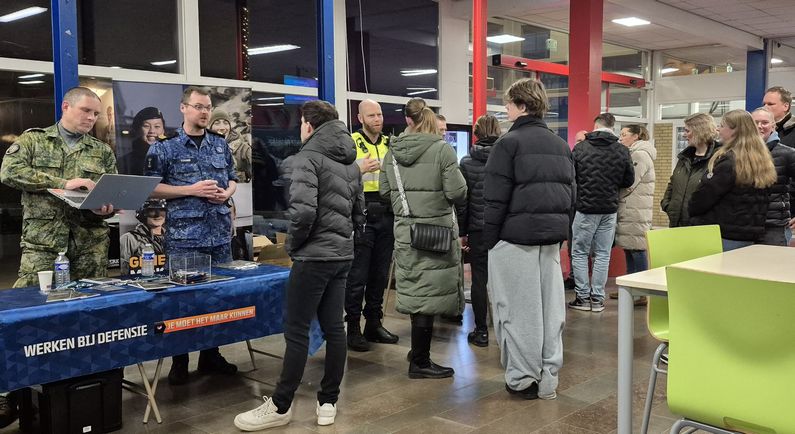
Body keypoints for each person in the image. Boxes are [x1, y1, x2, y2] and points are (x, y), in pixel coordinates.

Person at [233, 100, 364, 431]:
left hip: (314, 257)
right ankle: (328, 403)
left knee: (296, 330)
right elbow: (359, 212)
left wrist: (294, 245)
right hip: (342, 255)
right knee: (335, 329)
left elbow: (303, 213)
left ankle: (280, 405)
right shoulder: (350, 160)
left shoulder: (308, 158)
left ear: (308, 124)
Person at [0, 86, 117, 427]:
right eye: (86, 111)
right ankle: (8, 395)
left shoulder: (101, 150)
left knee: (89, 316)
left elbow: (107, 195)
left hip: (88, 243)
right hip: (43, 243)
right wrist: (65, 182)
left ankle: (81, 386)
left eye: (96, 114)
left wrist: (106, 206)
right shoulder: (35, 140)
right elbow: (9, 173)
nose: (91, 119)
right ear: (66, 106)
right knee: (23, 315)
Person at [484, 78, 574, 400]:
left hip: (514, 240)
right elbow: (570, 197)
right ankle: (548, 376)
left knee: (518, 313)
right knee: (551, 313)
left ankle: (523, 380)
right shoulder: (561, 145)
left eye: (508, 103)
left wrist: (490, 240)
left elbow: (494, 199)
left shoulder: (508, 144)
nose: (505, 109)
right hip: (550, 241)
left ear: (521, 106)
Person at [145, 86, 239, 386]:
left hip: (220, 235)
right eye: (198, 106)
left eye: (208, 107)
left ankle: (211, 355)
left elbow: (234, 178)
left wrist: (227, 193)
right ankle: (180, 360)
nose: (205, 112)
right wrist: (190, 190)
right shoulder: (164, 147)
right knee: (184, 302)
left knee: (218, 299)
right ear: (183, 108)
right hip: (185, 238)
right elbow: (149, 187)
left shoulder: (220, 144)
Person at [379, 98, 467, 379]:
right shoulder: (442, 151)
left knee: (417, 289)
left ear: (408, 121)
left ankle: (418, 352)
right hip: (436, 231)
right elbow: (457, 193)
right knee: (430, 293)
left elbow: (384, 191)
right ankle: (420, 361)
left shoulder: (392, 152)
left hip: (406, 231)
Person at [345, 99, 399, 352]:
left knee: (380, 274)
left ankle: (374, 323)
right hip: (362, 211)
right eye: (371, 115)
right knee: (358, 275)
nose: (377, 119)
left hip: (387, 211)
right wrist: (359, 168)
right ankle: (353, 327)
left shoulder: (390, 144)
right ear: (360, 118)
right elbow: (339, 175)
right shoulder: (350, 142)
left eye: (379, 114)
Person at [568, 113, 634, 313]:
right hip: (609, 209)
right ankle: (597, 299)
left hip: (585, 208)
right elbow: (628, 180)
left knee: (579, 253)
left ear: (595, 125)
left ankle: (582, 297)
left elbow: (571, 177)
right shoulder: (622, 150)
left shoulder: (580, 148)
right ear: (612, 127)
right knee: (603, 254)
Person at [688, 109, 777, 251]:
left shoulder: (729, 162)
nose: (718, 129)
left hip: (724, 235)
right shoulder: (763, 161)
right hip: (750, 236)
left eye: (722, 125)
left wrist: (692, 211)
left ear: (734, 131)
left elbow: (703, 198)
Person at [457, 114, 500, 347]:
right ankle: (507, 328)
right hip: (503, 228)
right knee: (505, 279)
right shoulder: (507, 158)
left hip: (477, 229)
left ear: (476, 134)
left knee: (479, 280)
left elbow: (463, 202)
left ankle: (481, 331)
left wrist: (462, 231)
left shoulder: (466, 162)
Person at [661, 113, 720, 228]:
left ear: (700, 131)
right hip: (676, 222)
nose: (684, 135)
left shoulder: (718, 158)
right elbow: (672, 184)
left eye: (687, 131)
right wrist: (667, 205)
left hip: (701, 225)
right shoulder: (685, 157)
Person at [615, 124, 656, 274]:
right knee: (630, 249)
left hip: (635, 209)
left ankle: (641, 291)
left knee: (637, 250)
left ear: (636, 136)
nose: (620, 138)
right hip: (632, 207)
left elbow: (630, 183)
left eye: (624, 134)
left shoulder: (640, 155)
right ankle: (630, 289)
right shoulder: (634, 153)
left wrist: (614, 195)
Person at [752, 107, 795, 246]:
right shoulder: (739, 153)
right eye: (755, 122)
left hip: (774, 228)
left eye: (764, 122)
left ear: (773, 126)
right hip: (744, 227)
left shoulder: (787, 154)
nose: (759, 126)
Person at [119, 199, 167, 275]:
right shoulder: (129, 239)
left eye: (162, 210)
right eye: (151, 211)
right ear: (142, 214)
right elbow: (123, 271)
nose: (158, 215)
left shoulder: (172, 238)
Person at [210, 109, 252, 182]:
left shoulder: (243, 148)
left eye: (226, 123)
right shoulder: (202, 147)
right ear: (210, 127)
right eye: (217, 123)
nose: (222, 128)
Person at [120, 107, 165, 175]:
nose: (152, 131)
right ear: (138, 130)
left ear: (163, 130)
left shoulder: (173, 158)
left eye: (157, 126)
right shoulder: (125, 162)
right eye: (146, 126)